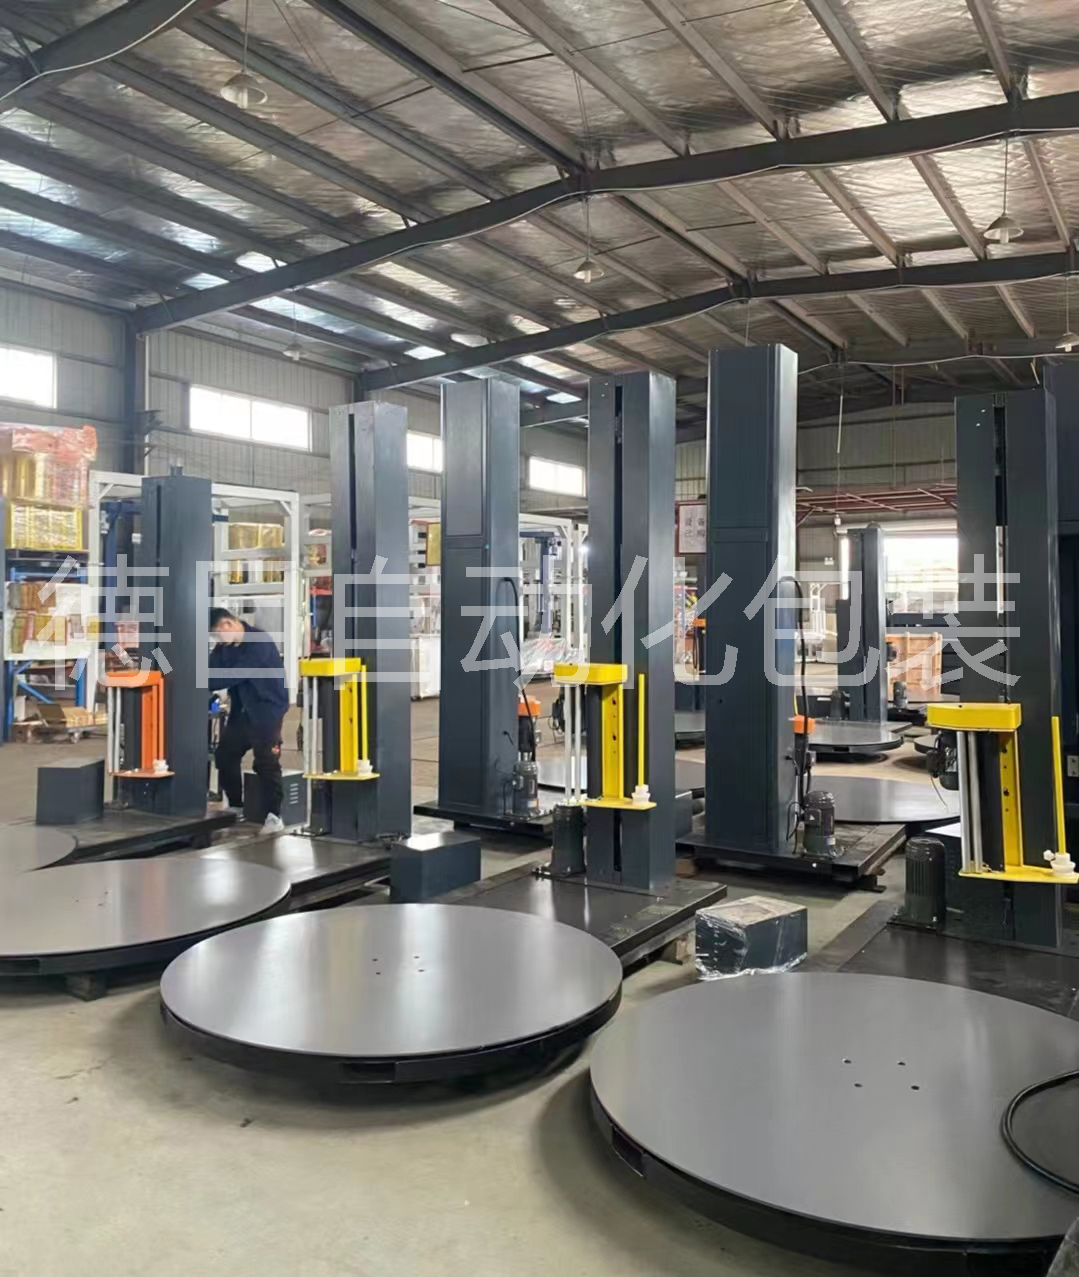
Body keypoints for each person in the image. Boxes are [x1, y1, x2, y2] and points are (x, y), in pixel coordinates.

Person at [208, 607, 290, 833]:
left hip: (267, 710)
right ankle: (236, 806)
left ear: (228, 625)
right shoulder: (224, 648)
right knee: (225, 755)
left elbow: (234, 675)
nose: (216, 640)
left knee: (266, 761)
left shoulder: (259, 643)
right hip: (242, 711)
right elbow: (211, 670)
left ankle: (274, 816)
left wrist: (199, 679)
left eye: (216, 634)